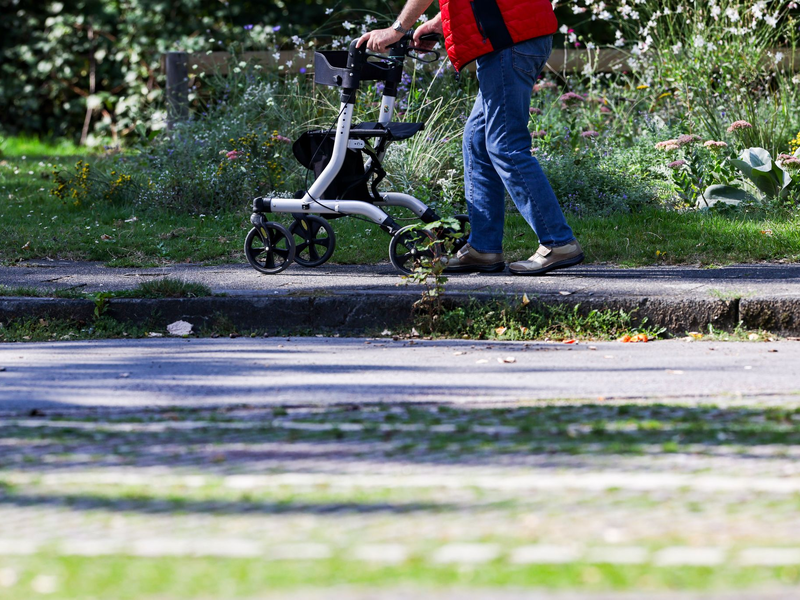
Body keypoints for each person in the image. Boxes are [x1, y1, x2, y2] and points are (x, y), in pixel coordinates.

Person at [357, 0, 583, 275]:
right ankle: (484, 249)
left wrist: (397, 28)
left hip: (507, 41)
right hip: (512, 36)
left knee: (506, 147)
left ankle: (558, 242)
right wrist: (439, 23)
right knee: (477, 142)